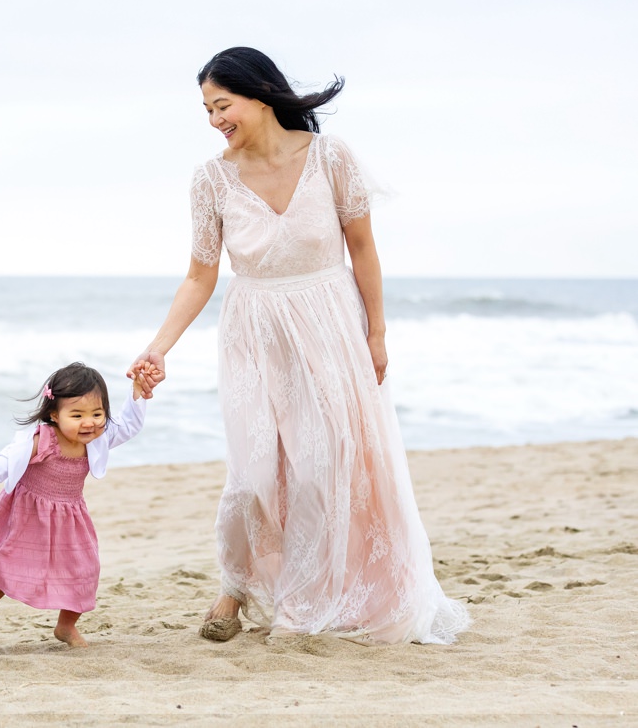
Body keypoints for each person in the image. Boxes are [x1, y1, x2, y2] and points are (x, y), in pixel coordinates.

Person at [128, 47, 470, 645]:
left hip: (331, 322)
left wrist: (378, 332)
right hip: (254, 330)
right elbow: (201, 274)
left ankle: (304, 601)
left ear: (260, 95)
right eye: (207, 110)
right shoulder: (210, 179)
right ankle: (234, 585)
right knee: (253, 469)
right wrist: (159, 348)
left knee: (323, 465)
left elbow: (363, 250)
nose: (214, 120)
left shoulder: (332, 158)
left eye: (222, 105)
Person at [0, 362, 160, 655]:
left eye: (97, 414)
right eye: (77, 415)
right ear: (55, 415)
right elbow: (6, 460)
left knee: (84, 571)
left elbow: (129, 426)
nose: (89, 423)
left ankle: (66, 625)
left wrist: (138, 393)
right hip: (27, 518)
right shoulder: (43, 440)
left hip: (70, 518)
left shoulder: (97, 438)